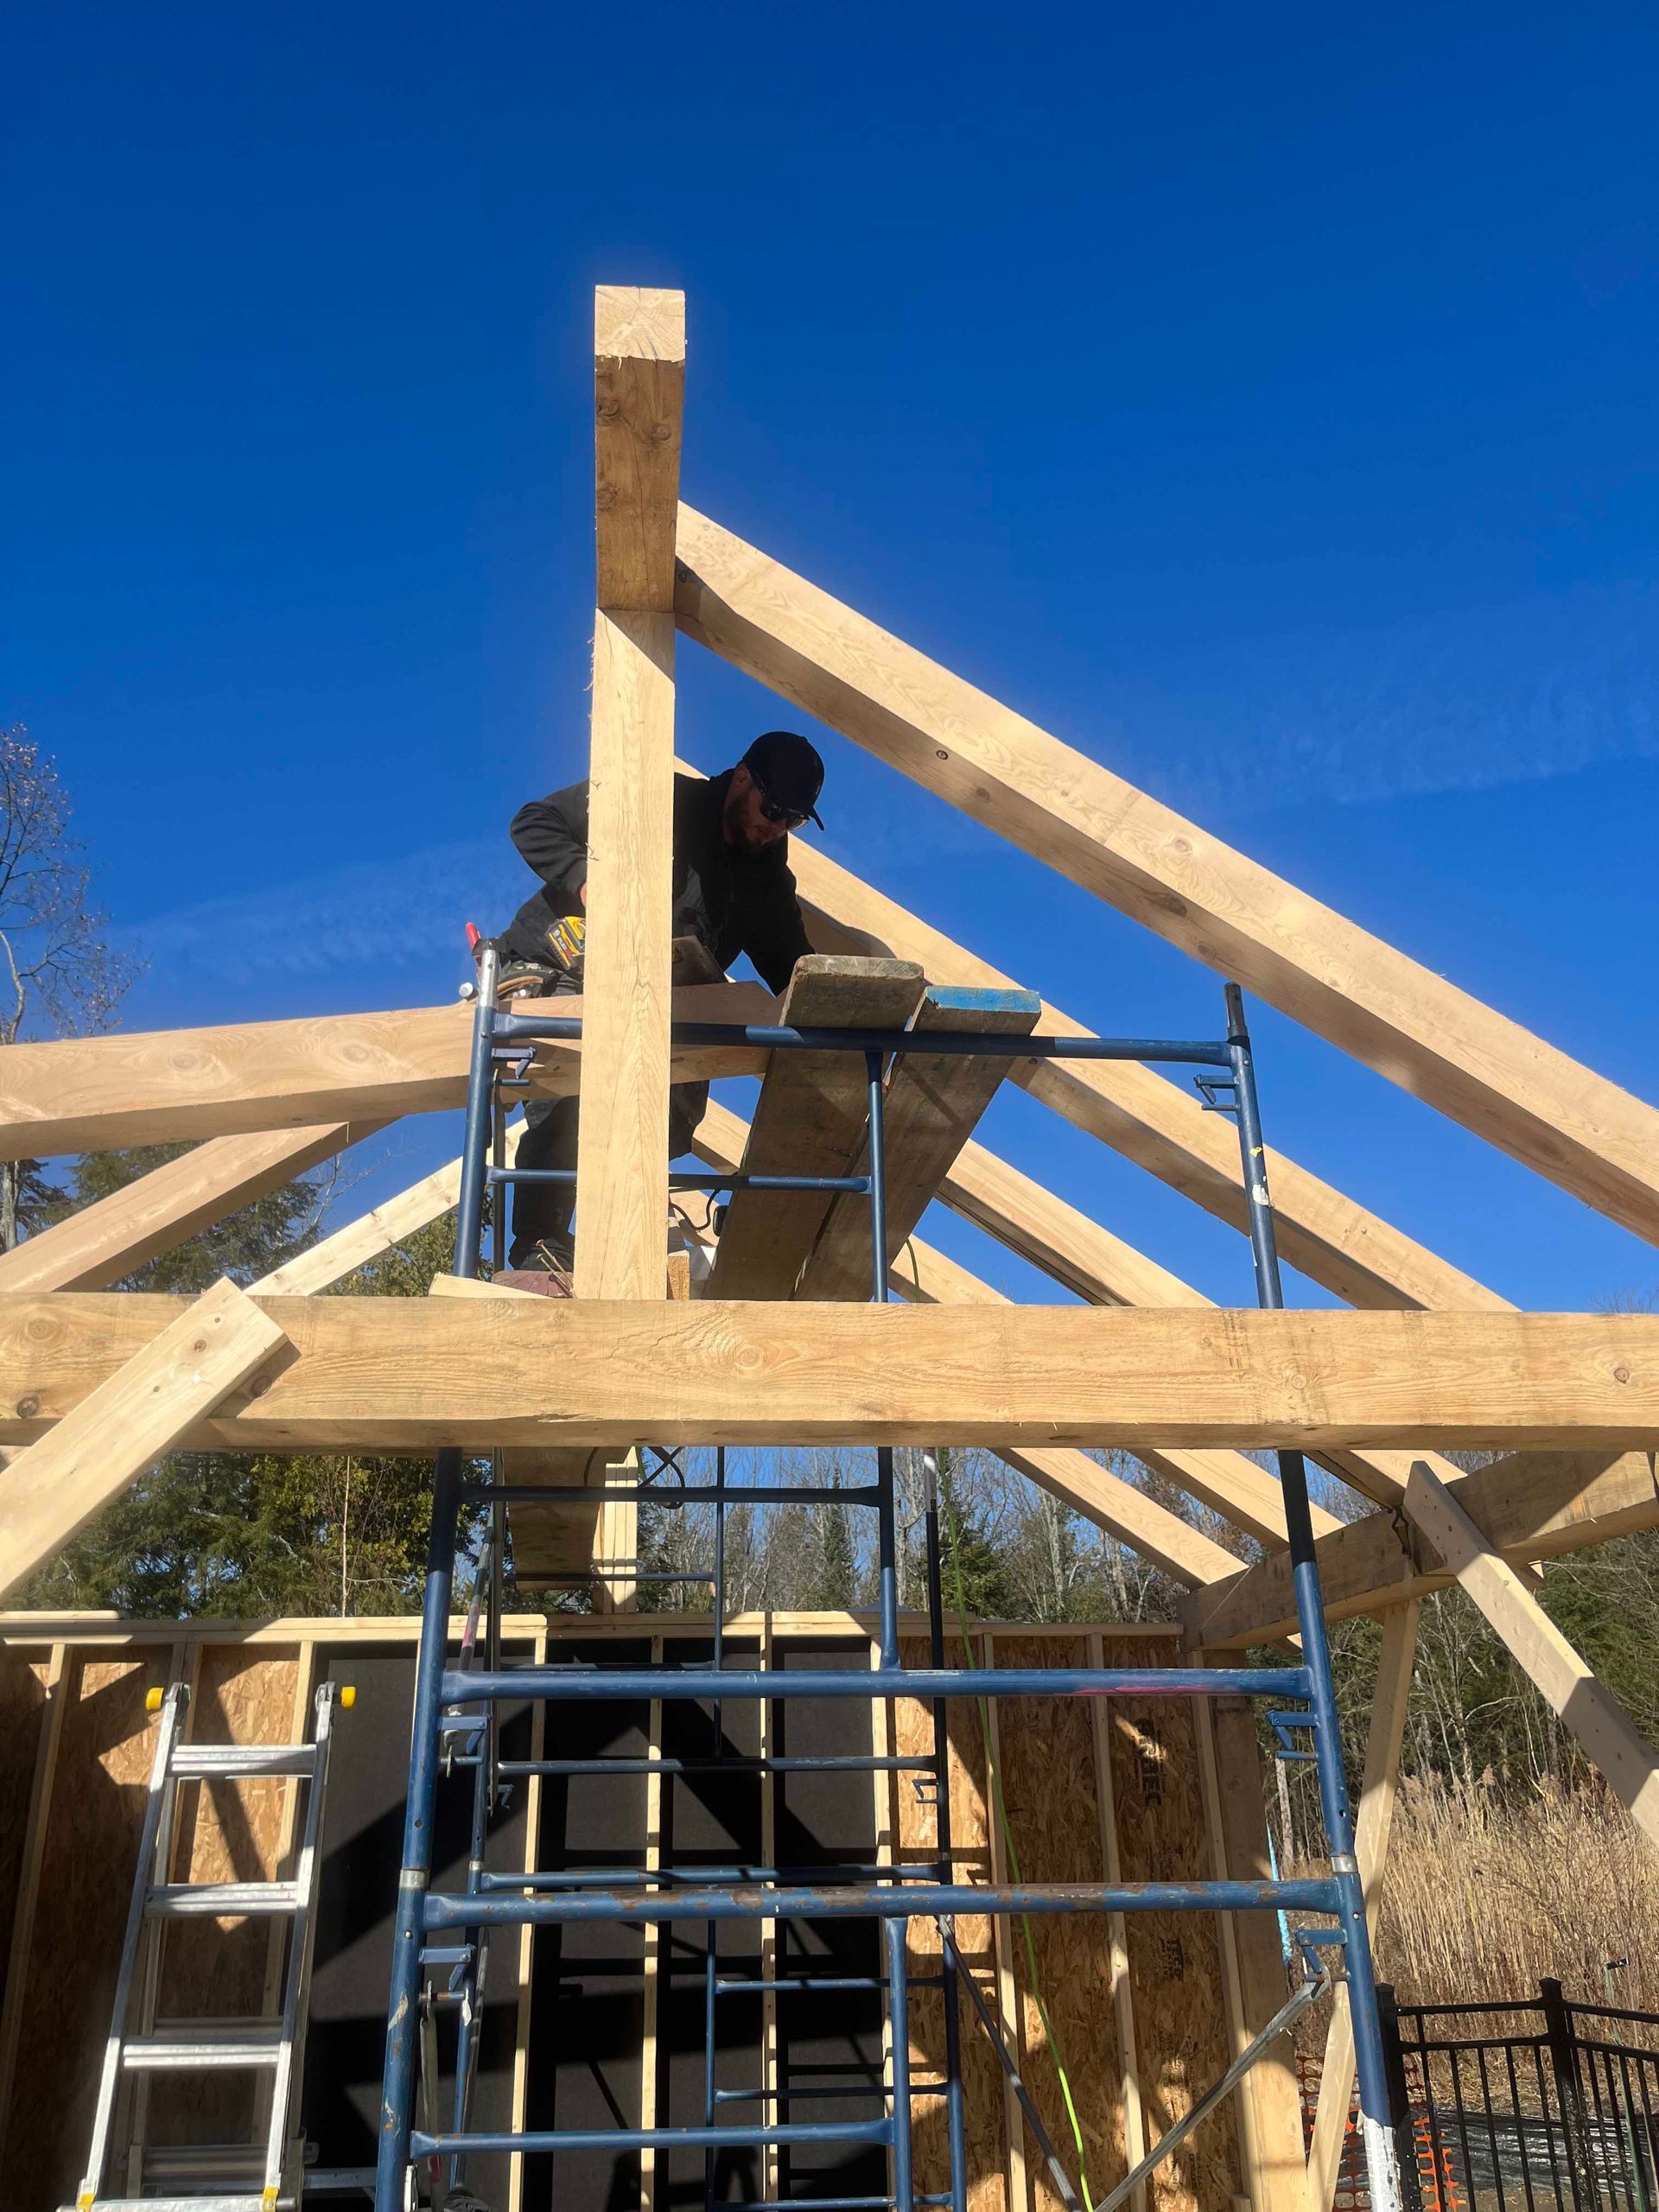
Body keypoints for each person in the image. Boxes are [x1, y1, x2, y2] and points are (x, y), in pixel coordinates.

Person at [492, 730, 826, 1289]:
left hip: (655, 1002)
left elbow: (792, 963)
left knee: (674, 1106)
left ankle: (617, 1235)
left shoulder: (763, 881)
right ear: (741, 778)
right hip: (556, 963)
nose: (776, 827)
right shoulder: (658, 797)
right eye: (772, 809)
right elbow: (532, 822)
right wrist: (588, 879)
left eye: (791, 820)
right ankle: (537, 1246)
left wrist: (849, 1019)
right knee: (573, 1082)